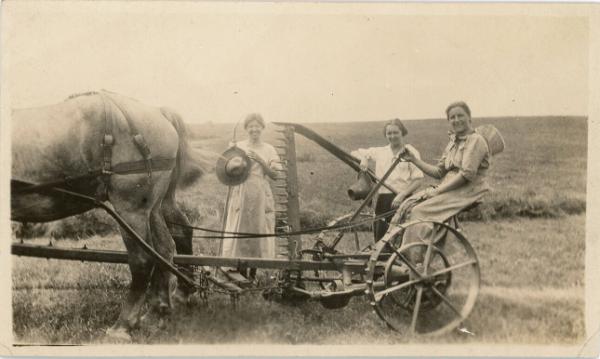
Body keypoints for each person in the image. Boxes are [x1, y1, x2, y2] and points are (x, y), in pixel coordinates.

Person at [392, 101, 491, 248]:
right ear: (449, 121)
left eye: (460, 116)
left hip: (468, 189)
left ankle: (412, 258)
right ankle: (395, 251)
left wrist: (438, 191)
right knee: (407, 204)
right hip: (450, 187)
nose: (456, 120)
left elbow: (466, 175)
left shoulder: (476, 140)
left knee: (419, 211)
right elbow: (439, 172)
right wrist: (413, 160)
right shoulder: (453, 142)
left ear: (469, 118)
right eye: (452, 117)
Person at [220, 113, 282, 264]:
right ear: (246, 129)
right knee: (239, 229)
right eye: (250, 127)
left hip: (260, 193)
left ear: (262, 128)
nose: (254, 129)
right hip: (241, 192)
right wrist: (231, 156)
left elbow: (275, 175)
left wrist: (261, 161)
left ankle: (255, 270)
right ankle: (237, 269)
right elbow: (225, 169)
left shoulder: (269, 149)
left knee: (259, 228)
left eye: (257, 126)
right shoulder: (239, 146)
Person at [351, 119, 424, 242]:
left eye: (395, 133)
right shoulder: (381, 152)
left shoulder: (411, 152)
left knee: (400, 236)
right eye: (389, 133)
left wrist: (402, 195)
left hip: (402, 199)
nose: (392, 136)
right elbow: (354, 152)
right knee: (381, 238)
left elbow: (418, 179)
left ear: (402, 133)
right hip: (383, 200)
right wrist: (364, 158)